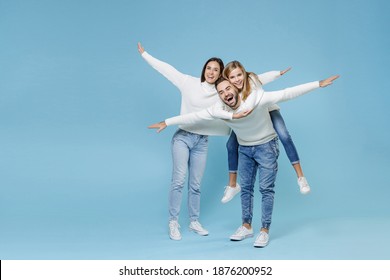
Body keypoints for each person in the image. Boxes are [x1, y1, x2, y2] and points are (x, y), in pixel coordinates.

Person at [149, 74, 339, 247]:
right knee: (246, 189)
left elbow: (287, 93)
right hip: (245, 148)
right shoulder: (218, 109)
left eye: (228, 89)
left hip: (266, 146)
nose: (225, 93)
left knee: (266, 189)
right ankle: (246, 226)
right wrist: (167, 122)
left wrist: (318, 83)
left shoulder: (256, 98)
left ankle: (264, 230)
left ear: (236, 88)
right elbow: (193, 116)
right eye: (221, 92)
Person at [138, 43, 284, 240]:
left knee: (196, 184)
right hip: (183, 136)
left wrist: (276, 75)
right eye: (209, 68)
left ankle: (194, 221)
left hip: (202, 142)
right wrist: (146, 55)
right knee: (179, 180)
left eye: (216, 69)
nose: (211, 72)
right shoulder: (188, 82)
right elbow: (167, 70)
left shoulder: (222, 93)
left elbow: (251, 80)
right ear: (204, 69)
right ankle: (173, 222)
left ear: (220, 75)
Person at [221, 61, 310, 206]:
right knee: (231, 145)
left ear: (244, 73)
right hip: (251, 120)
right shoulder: (230, 90)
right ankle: (232, 185)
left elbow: (262, 78)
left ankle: (301, 177)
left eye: (239, 75)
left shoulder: (251, 80)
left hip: (268, 109)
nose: (237, 79)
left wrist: (277, 74)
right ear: (228, 80)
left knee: (284, 135)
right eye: (232, 77)